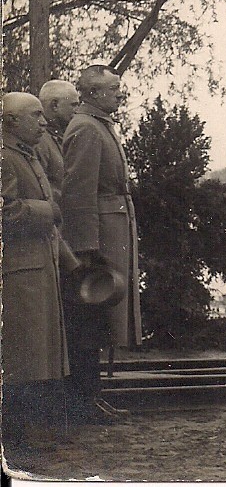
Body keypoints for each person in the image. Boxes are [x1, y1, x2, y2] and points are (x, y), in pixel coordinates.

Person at [59, 64, 140, 423]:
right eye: (114, 89)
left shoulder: (99, 125)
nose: (120, 94)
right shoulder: (87, 128)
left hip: (112, 230)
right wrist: (86, 248)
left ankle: (92, 397)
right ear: (93, 93)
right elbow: (78, 193)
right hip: (100, 237)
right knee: (93, 317)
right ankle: (84, 400)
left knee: (101, 318)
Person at [1, 93, 82, 448]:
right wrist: (47, 211)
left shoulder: (27, 154)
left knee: (40, 353)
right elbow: (5, 213)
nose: (44, 122)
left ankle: (32, 429)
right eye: (35, 115)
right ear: (11, 121)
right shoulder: (5, 158)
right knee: (22, 354)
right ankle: (17, 435)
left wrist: (70, 263)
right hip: (19, 272)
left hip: (39, 269)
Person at [36, 80, 80, 199]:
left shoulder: (62, 135)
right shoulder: (38, 139)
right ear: (54, 105)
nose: (77, 110)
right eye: (73, 105)